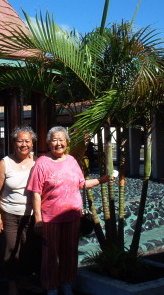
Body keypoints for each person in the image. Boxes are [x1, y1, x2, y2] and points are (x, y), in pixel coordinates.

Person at [26, 126, 110, 295]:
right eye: (54, 140)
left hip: (72, 215)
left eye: (61, 140)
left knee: (70, 252)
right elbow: (35, 192)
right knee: (50, 254)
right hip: (50, 217)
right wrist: (38, 219)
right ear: (49, 143)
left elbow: (82, 184)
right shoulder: (42, 163)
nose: (58, 143)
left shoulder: (72, 160)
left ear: (67, 142)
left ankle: (66, 283)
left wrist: (102, 180)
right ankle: (50, 286)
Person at [0, 125, 41, 295]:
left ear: (32, 144)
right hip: (9, 214)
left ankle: (25, 281)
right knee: (11, 249)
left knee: (28, 250)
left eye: (27, 141)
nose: (24, 144)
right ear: (13, 143)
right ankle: (12, 284)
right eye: (20, 141)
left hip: (31, 215)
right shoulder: (4, 163)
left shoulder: (38, 163)